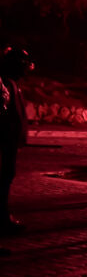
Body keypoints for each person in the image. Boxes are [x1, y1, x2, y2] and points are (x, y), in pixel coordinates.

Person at [0, 47, 32, 235]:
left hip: (9, 142)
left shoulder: (12, 83)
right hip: (4, 141)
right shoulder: (5, 83)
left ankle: (3, 216)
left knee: (6, 178)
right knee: (3, 179)